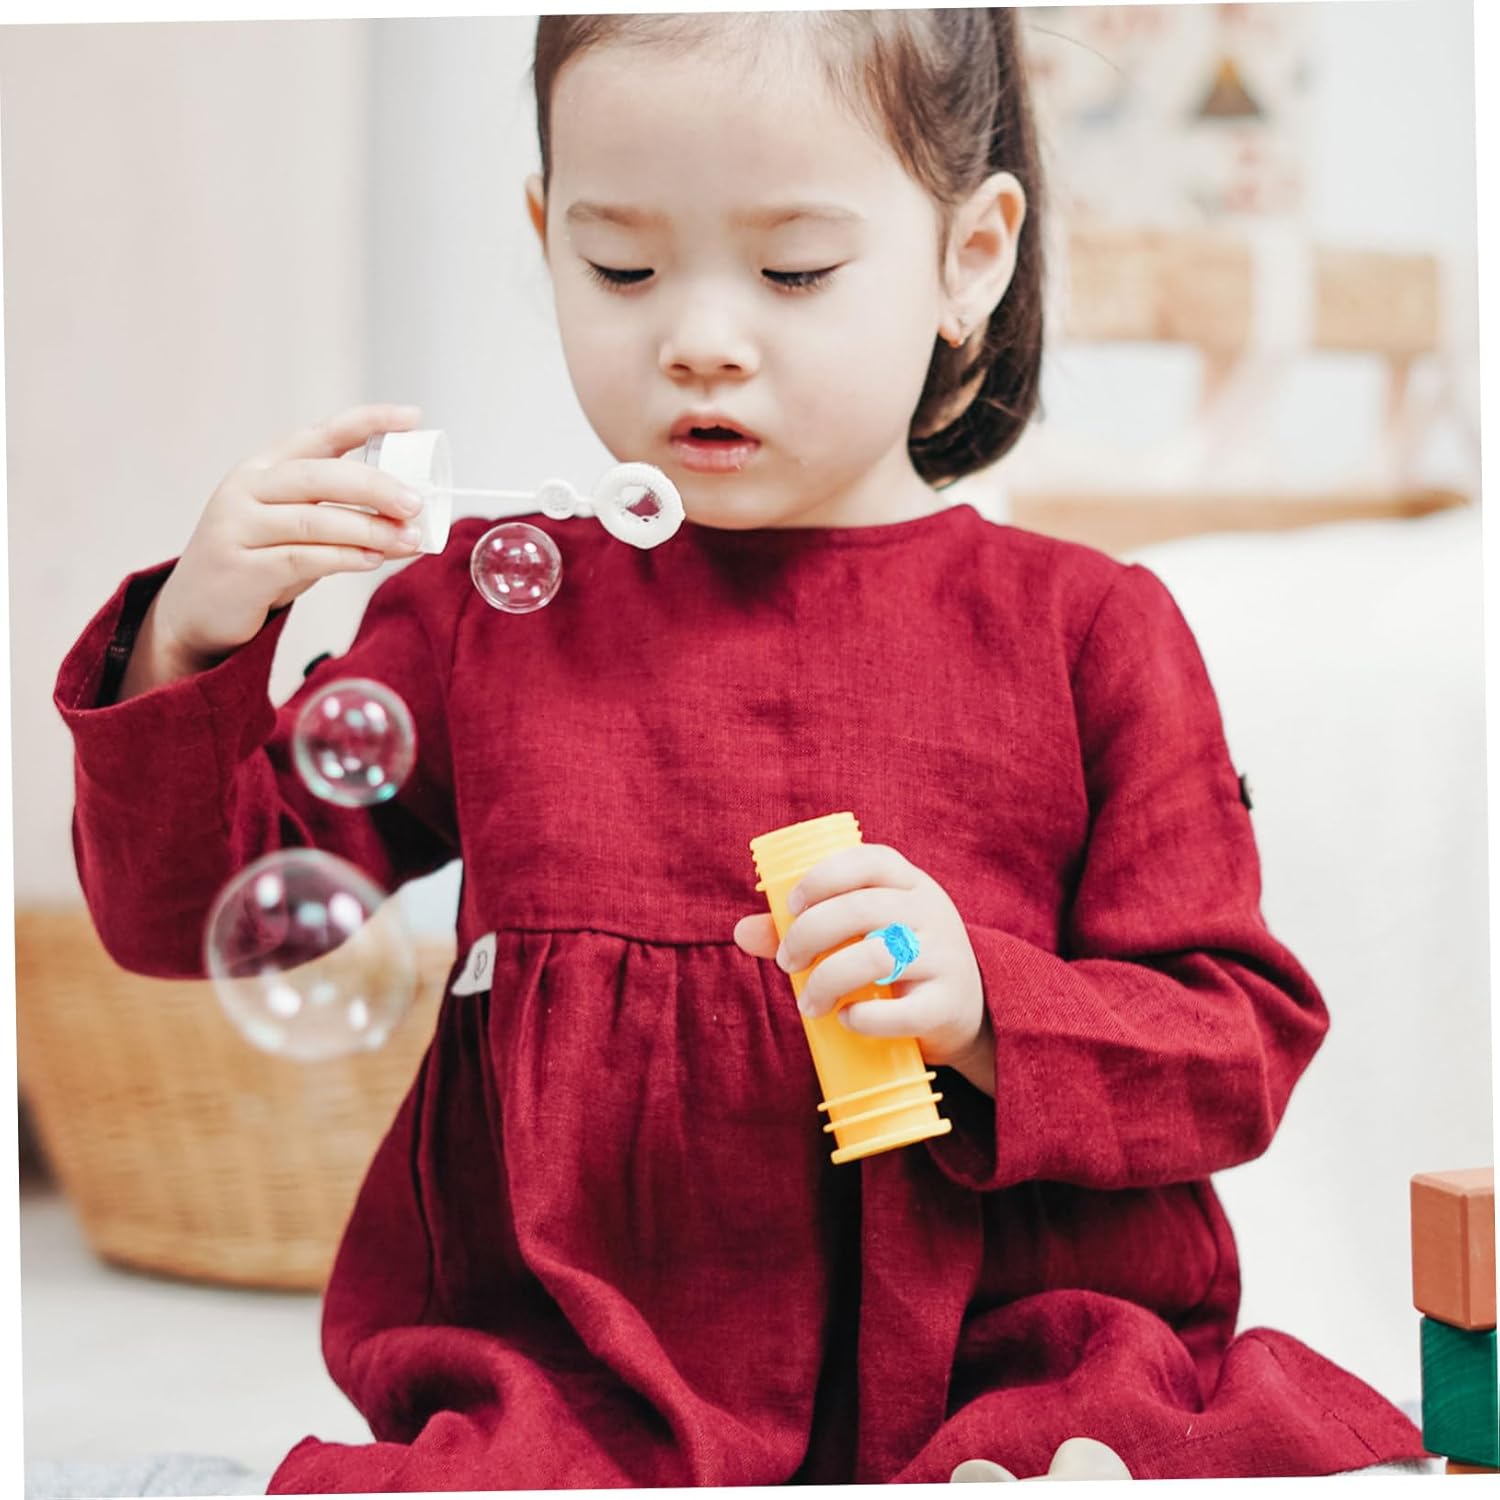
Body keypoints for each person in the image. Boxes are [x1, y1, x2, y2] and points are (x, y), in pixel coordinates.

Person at [55, 9, 1430, 1489]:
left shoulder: (1087, 629)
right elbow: (191, 915)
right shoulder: (486, 616)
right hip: (588, 1379)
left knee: (1151, 1454)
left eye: (794, 271)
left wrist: (988, 1010)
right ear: (548, 235)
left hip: (1009, 1356)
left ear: (969, 259)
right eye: (621, 268)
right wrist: (190, 637)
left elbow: (1234, 1047)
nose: (699, 339)